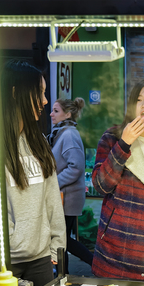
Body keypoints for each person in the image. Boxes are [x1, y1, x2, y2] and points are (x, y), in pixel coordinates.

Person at [92, 79, 144, 281]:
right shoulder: (112, 137)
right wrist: (124, 143)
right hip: (112, 253)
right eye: (139, 100)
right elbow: (100, 186)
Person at [1, 60, 66, 286]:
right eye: (39, 92)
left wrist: (56, 249)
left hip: (42, 260)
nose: (45, 101)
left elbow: (51, 198)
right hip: (6, 263)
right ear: (15, 93)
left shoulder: (38, 141)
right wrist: (16, 244)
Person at [47, 97, 93, 274]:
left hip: (67, 199)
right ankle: (61, 274)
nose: (51, 114)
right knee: (62, 239)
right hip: (64, 197)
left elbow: (76, 167)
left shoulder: (69, 134)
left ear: (68, 114)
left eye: (56, 111)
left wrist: (54, 183)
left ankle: (94, 263)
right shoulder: (61, 132)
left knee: (63, 239)